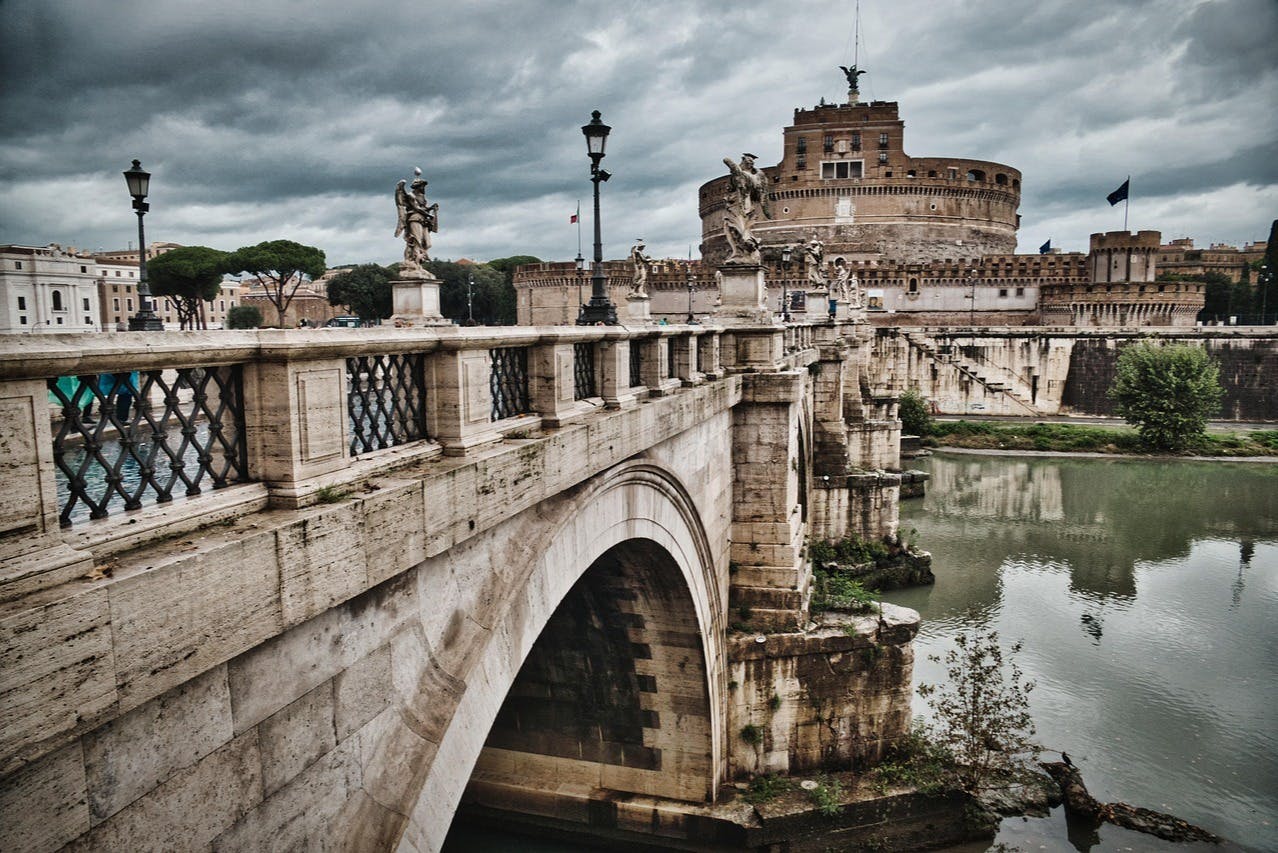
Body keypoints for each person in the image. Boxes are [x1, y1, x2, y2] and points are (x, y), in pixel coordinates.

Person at [722, 153, 771, 264]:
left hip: (739, 204)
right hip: (737, 203)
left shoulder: (743, 175)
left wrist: (735, 167)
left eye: (744, 162)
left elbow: (726, 159)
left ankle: (745, 245)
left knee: (736, 226)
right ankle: (738, 252)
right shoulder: (755, 177)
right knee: (731, 227)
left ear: (745, 162)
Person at [394, 168, 439, 271]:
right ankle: (415, 263)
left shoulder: (422, 197)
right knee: (416, 242)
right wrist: (430, 215)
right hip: (414, 220)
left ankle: (420, 259)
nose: (424, 188)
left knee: (427, 243)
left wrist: (432, 208)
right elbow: (416, 208)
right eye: (423, 186)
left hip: (423, 221)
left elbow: (423, 208)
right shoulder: (411, 195)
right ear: (418, 186)